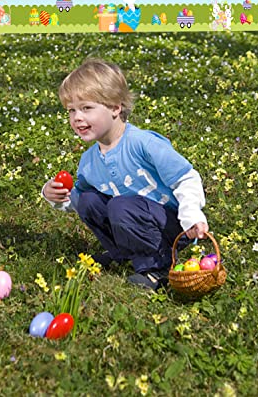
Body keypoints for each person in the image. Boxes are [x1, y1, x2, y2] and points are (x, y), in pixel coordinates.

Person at [42, 58, 208, 290]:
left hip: (170, 227)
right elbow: (80, 203)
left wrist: (191, 215)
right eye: (71, 110)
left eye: (86, 108)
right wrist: (55, 195)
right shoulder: (89, 161)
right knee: (90, 200)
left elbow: (186, 178)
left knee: (120, 206)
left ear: (115, 107)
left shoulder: (143, 143)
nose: (77, 117)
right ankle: (122, 252)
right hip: (133, 220)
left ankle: (158, 267)